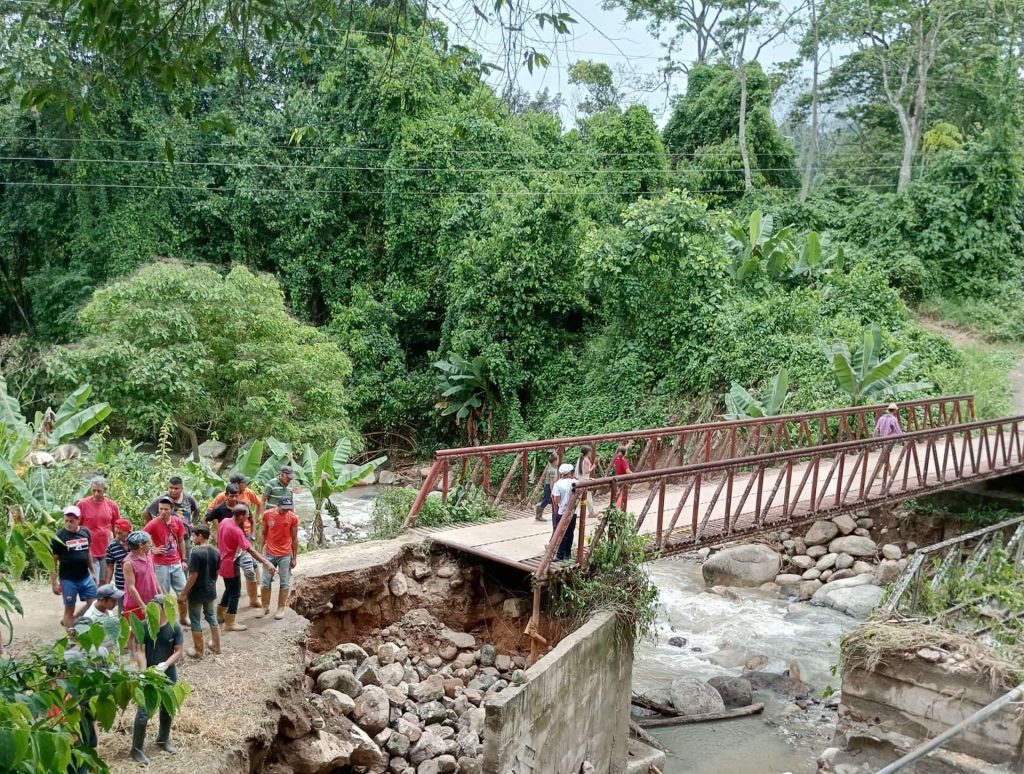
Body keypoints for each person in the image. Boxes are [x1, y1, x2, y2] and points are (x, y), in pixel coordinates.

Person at [129, 595, 183, 765]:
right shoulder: (144, 627)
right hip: (150, 675)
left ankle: (163, 739)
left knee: (167, 707)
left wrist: (165, 665)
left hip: (167, 674)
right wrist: (144, 672)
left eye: (156, 608)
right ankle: (136, 749)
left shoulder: (175, 627)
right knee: (143, 712)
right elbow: (140, 651)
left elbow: (179, 651)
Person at [217, 504, 276, 632]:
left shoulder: (225, 521)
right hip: (231, 563)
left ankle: (220, 613)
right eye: (247, 515)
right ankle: (230, 622)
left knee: (229, 589)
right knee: (235, 592)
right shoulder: (237, 531)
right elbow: (250, 550)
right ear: (241, 516)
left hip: (223, 559)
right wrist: (266, 562)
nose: (249, 517)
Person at [206, 483, 261, 608]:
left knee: (249, 571)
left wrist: (251, 536)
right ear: (226, 496)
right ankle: (227, 616)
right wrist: (214, 534)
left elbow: (252, 521)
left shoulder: (242, 507)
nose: (235, 499)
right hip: (229, 549)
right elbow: (207, 518)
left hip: (242, 543)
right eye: (232, 496)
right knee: (233, 588)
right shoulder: (221, 511)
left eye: (237, 496)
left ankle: (253, 599)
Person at [143, 497, 190, 626]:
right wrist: (152, 549)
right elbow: (141, 538)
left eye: (166, 509)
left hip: (175, 563)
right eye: (160, 509)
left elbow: (181, 541)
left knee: (183, 592)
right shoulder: (153, 523)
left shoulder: (177, 522)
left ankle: (183, 617)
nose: (163, 512)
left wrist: (183, 559)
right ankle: (165, 622)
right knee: (163, 596)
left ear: (172, 510)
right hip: (160, 565)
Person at [50, 505, 97, 630]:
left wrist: (93, 572)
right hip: (68, 579)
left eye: (71, 521)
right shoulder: (58, 536)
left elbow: (88, 553)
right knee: (69, 609)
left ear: (78, 520)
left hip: (85, 577)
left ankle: (74, 619)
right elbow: (52, 561)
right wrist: (54, 583)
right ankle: (71, 639)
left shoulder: (85, 532)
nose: (68, 524)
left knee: (94, 604)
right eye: (66, 520)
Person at [179, 524, 221, 657]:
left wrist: (184, 593)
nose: (191, 538)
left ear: (200, 536)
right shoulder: (216, 551)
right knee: (211, 616)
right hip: (210, 590)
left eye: (193, 535)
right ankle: (216, 645)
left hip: (197, 592)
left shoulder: (196, 553)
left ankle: (199, 650)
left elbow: (193, 575)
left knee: (195, 619)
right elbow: (217, 572)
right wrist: (212, 583)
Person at [123, 530, 160, 667]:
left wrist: (160, 593)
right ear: (140, 545)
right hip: (135, 603)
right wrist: (142, 605)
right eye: (148, 542)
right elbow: (131, 587)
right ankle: (133, 655)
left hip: (151, 598)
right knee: (132, 631)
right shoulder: (128, 563)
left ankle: (148, 653)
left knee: (151, 626)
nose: (151, 544)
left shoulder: (148, 554)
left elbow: (153, 575)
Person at [257, 496, 298, 619]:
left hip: (285, 555)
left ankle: (281, 608)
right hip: (269, 554)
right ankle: (265, 606)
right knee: (265, 581)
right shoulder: (267, 515)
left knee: (284, 582)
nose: (285, 511)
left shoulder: (293, 518)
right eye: (283, 508)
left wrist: (294, 557)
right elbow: (263, 533)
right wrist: (259, 551)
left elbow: (295, 539)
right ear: (277, 505)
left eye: (288, 509)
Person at [76, 477, 121, 584]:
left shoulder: (112, 505)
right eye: (94, 490)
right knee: (92, 580)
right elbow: (76, 526)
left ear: (104, 490)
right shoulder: (82, 504)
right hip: (89, 549)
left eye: (99, 491)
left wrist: (117, 543)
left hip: (106, 548)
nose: (96, 493)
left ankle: (102, 600)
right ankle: (91, 600)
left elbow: (117, 526)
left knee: (105, 581)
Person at [144, 476, 200, 560]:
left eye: (176, 488)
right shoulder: (162, 499)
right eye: (171, 488)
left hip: (185, 537)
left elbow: (197, 509)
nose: (173, 490)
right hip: (166, 539)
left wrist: (192, 522)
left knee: (185, 562)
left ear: (182, 488)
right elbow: (146, 512)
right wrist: (153, 524)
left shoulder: (188, 498)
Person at [549, 463, 578, 562]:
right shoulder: (575, 482)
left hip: (562, 511)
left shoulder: (558, 484)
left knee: (561, 533)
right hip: (573, 512)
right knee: (570, 532)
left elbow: (556, 499)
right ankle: (567, 553)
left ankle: (560, 555)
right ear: (570, 472)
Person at [103, 519, 133, 612]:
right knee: (123, 610)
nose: (118, 536)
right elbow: (110, 566)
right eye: (116, 533)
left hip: (137, 582)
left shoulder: (136, 543)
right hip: (121, 584)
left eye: (120, 533)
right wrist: (107, 585)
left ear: (129, 532)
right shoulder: (112, 546)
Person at [574, 445, 598, 518]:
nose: (591, 453)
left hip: (579, 480)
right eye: (590, 451)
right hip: (584, 481)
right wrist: (593, 466)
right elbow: (587, 471)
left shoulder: (580, 459)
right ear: (588, 452)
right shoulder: (586, 460)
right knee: (588, 497)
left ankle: (574, 512)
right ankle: (591, 513)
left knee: (579, 497)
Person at [534, 453, 559, 522]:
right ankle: (538, 515)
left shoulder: (553, 468)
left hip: (549, 486)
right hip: (549, 486)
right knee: (546, 499)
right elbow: (551, 482)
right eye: (558, 460)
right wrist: (552, 490)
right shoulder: (552, 470)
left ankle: (540, 511)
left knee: (548, 499)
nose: (558, 461)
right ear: (554, 461)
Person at [612, 444, 633, 510]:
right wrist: (634, 474)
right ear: (625, 453)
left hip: (618, 478)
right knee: (622, 495)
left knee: (619, 493)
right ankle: (618, 508)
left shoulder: (616, 459)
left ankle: (615, 506)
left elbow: (621, 451)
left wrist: (627, 445)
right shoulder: (624, 461)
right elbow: (627, 471)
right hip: (624, 479)